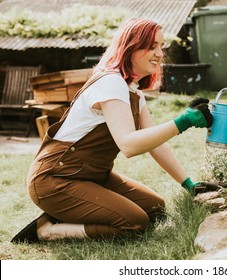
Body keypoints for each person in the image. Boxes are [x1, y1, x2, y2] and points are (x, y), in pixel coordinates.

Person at [11, 18, 214, 243]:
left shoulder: (133, 91)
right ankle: (47, 230)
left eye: (161, 46)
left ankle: (70, 211)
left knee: (155, 207)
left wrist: (189, 185)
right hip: (56, 179)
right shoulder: (110, 82)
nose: (159, 53)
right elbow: (128, 144)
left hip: (93, 177)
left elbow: (156, 144)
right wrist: (182, 122)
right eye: (151, 46)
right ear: (130, 47)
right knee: (135, 222)